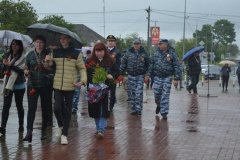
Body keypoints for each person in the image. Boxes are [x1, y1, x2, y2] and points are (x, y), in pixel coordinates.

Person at [44, 34, 87, 145]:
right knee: (57, 108)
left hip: (70, 85)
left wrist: (83, 81)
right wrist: (46, 61)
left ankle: (64, 135)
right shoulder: (55, 52)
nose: (62, 40)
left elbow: (82, 68)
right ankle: (61, 125)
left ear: (69, 39)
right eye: (61, 39)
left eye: (64, 38)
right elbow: (49, 67)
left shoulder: (76, 53)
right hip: (57, 85)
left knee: (68, 110)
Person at [85, 42, 120, 138]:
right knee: (95, 109)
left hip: (107, 89)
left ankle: (101, 129)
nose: (99, 53)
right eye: (97, 51)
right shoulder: (89, 61)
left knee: (104, 109)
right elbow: (85, 73)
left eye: (101, 51)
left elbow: (117, 71)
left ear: (104, 51)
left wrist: (111, 76)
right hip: (94, 89)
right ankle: (98, 128)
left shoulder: (110, 61)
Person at [23, 35, 52, 143]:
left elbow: (51, 68)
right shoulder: (30, 54)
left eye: (41, 42)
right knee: (31, 108)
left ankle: (43, 131)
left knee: (45, 109)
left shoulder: (48, 54)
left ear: (44, 44)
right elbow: (26, 67)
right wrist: (26, 72)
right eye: (37, 42)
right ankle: (29, 132)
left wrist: (48, 62)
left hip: (45, 85)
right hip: (32, 85)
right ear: (34, 43)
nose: (38, 44)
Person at [145, 39, 180, 119]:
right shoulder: (156, 53)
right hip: (157, 77)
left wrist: (176, 78)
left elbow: (176, 66)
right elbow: (151, 64)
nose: (159, 45)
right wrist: (148, 74)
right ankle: (159, 105)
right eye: (159, 44)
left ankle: (164, 112)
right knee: (157, 93)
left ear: (165, 45)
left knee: (165, 95)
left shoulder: (172, 54)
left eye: (160, 44)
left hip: (167, 77)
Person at [0, 40, 26, 135]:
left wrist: (11, 65)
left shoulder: (23, 56)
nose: (14, 46)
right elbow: (3, 70)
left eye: (16, 44)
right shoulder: (7, 55)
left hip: (19, 85)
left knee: (19, 106)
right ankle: (3, 126)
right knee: (6, 106)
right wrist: (4, 63)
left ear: (20, 46)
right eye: (13, 44)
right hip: (7, 85)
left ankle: (21, 125)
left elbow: (22, 71)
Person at [120, 38, 150, 115]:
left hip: (140, 76)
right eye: (135, 44)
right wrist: (119, 72)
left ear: (140, 44)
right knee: (132, 93)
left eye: (138, 44)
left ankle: (139, 109)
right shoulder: (128, 53)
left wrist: (148, 74)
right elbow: (123, 63)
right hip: (131, 76)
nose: (136, 45)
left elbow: (149, 64)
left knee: (138, 93)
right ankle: (134, 109)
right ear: (133, 44)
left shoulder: (144, 53)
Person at [106, 35, 121, 112]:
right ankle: (105, 105)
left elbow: (118, 65)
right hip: (104, 74)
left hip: (113, 74)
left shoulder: (117, 52)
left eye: (112, 41)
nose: (110, 42)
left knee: (112, 91)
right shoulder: (104, 51)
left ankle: (111, 107)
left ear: (114, 42)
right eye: (109, 41)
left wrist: (115, 75)